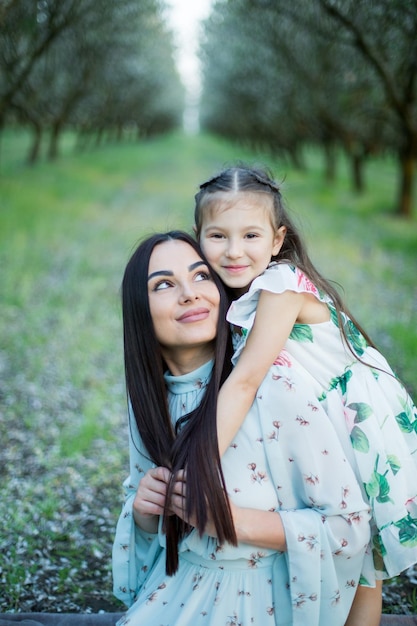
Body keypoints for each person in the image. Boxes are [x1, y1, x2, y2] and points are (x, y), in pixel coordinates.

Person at [193, 165, 417, 626]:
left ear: (277, 240)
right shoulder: (243, 289)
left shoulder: (280, 285)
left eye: (250, 235)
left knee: (361, 558)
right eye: (218, 236)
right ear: (199, 237)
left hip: (356, 420)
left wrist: (199, 464)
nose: (234, 251)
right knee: (355, 559)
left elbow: (247, 379)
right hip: (322, 421)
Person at [112, 230, 371, 626]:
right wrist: (146, 511)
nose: (189, 293)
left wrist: (232, 522)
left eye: (201, 276)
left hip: (264, 602)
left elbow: (350, 530)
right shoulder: (149, 401)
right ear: (138, 310)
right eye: (163, 284)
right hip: (177, 594)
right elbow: (146, 531)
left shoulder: (275, 386)